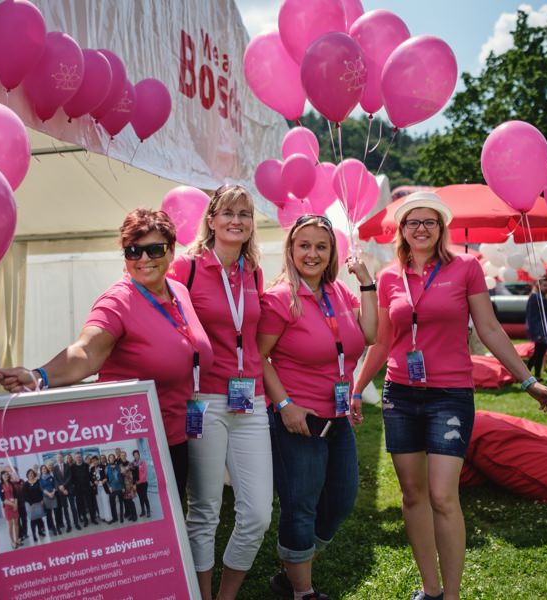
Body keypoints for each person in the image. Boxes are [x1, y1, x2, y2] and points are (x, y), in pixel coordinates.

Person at [352, 192, 547, 600]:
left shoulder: (464, 267)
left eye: (430, 222)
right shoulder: (390, 277)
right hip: (400, 395)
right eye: (414, 222)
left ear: (441, 228)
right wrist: (358, 390)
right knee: (412, 495)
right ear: (402, 229)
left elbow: (490, 328)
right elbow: (381, 343)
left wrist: (526, 380)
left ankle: (452, 595)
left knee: (443, 495)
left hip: (449, 394)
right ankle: (430, 590)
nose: (422, 229)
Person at [0, 208, 214, 501]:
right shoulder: (117, 301)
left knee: (174, 525)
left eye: (154, 249)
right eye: (133, 251)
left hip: (178, 433)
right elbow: (85, 352)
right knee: (145, 530)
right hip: (136, 440)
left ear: (172, 250)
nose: (144, 259)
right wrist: (39, 376)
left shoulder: (178, 290)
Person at [257, 214, 378, 600]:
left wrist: (367, 283)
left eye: (321, 247)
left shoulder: (339, 294)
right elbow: (258, 358)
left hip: (338, 417)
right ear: (290, 249)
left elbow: (372, 334)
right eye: (304, 245)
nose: (312, 253)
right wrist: (285, 405)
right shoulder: (278, 298)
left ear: (332, 253)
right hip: (299, 421)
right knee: (301, 505)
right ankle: (301, 591)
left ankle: (290, 571)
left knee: (341, 500)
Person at [167, 184, 272, 600]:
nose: (236, 221)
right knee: (205, 511)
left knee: (258, 514)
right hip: (203, 401)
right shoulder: (185, 268)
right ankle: (202, 595)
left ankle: (226, 596)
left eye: (244, 214)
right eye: (228, 213)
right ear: (210, 220)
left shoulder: (254, 272)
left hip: (252, 399)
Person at [525, 276, 547, 378]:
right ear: (538, 286)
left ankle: (531, 373)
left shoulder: (538, 296)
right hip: (539, 329)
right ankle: (532, 374)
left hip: (541, 328)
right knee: (539, 353)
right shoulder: (536, 297)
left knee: (539, 352)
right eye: (545, 285)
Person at [53, 453, 81, 533]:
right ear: (56, 459)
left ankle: (76, 523)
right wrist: (61, 487)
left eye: (60, 457)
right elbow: (55, 480)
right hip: (61, 491)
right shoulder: (55, 468)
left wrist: (64, 486)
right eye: (58, 457)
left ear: (62, 458)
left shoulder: (67, 466)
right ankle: (68, 525)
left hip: (69, 489)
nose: (59, 458)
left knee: (73, 508)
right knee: (65, 509)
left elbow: (69, 477)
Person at [72, 452, 98, 526]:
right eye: (77, 457)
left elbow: (90, 476)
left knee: (90, 504)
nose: (78, 458)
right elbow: (72, 479)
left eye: (79, 457)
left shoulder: (86, 465)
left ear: (81, 458)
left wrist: (93, 482)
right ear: (75, 458)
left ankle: (93, 519)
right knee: (82, 505)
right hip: (78, 490)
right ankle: (85, 520)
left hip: (87, 488)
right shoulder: (72, 467)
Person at [0, 470, 21, 550]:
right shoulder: (0, 485)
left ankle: (17, 540)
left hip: (14, 505)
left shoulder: (11, 484)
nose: (6, 476)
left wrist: (16, 504)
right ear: (1, 476)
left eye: (7, 475)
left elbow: (15, 495)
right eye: (4, 475)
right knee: (10, 525)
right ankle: (12, 541)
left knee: (16, 524)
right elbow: (3, 499)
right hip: (7, 506)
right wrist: (13, 504)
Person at [23, 468, 47, 542]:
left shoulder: (38, 481)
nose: (31, 475)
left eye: (32, 473)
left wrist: (42, 499)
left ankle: (40, 532)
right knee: (33, 520)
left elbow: (41, 491)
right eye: (29, 474)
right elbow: (25, 495)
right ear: (27, 475)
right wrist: (31, 503)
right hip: (31, 504)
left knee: (39, 518)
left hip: (39, 503)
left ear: (34, 474)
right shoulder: (26, 484)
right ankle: (34, 535)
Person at [39, 463, 61, 536]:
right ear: (41, 471)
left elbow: (55, 485)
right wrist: (49, 494)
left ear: (47, 469)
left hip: (53, 496)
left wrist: (53, 492)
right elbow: (42, 488)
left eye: (45, 468)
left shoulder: (51, 477)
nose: (44, 470)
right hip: (46, 497)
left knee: (56, 513)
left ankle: (58, 527)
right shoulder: (40, 479)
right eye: (42, 469)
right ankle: (52, 528)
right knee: (49, 514)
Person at [91, 455, 113, 523]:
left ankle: (108, 518)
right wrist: (94, 481)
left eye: (96, 460)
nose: (95, 462)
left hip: (104, 486)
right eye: (93, 461)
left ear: (98, 460)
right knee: (99, 503)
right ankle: (102, 516)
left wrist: (104, 480)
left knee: (105, 502)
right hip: (97, 488)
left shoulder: (103, 467)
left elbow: (107, 476)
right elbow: (91, 478)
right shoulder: (91, 469)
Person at [106, 453, 125, 523]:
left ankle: (121, 517)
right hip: (112, 488)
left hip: (120, 487)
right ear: (108, 459)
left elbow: (122, 477)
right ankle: (115, 518)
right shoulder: (107, 468)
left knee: (121, 503)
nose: (111, 459)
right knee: (112, 504)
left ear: (114, 459)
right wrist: (109, 487)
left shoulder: (118, 466)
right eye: (110, 457)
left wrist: (123, 487)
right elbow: (106, 479)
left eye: (113, 457)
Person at [132, 449, 151, 518]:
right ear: (133, 456)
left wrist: (140, 481)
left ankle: (148, 510)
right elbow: (132, 474)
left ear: (139, 455)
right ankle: (143, 511)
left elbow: (145, 473)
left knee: (145, 496)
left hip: (143, 483)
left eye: (137, 454)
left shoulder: (143, 462)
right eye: (134, 455)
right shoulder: (132, 464)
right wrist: (135, 482)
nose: (136, 456)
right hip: (137, 484)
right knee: (140, 497)